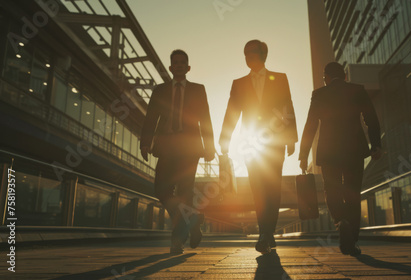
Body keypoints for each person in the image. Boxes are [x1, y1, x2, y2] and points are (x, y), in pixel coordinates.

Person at [220, 40, 298, 254]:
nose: (247, 57)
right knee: (258, 188)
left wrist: (291, 137)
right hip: (251, 142)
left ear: (263, 54)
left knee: (272, 189)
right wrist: (225, 138)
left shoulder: (280, 78)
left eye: (251, 52)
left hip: (275, 142)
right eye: (245, 53)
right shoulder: (239, 83)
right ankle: (266, 233)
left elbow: (288, 107)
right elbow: (232, 111)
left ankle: (267, 232)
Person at [299, 62, 382, 256]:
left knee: (332, 190)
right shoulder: (357, 90)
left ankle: (340, 220)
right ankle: (351, 238)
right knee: (353, 191)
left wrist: (303, 155)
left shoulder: (319, 94)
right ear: (345, 76)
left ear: (326, 77)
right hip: (354, 149)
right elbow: (372, 119)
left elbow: (310, 125)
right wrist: (376, 145)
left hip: (329, 152)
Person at [140, 49, 216, 254]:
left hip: (189, 149)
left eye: (183, 62)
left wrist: (210, 147)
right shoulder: (160, 90)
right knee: (161, 190)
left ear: (188, 67)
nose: (180, 65)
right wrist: (145, 143)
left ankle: (177, 241)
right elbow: (151, 118)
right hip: (166, 147)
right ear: (171, 67)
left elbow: (205, 119)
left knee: (184, 193)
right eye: (176, 62)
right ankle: (193, 218)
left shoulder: (198, 89)